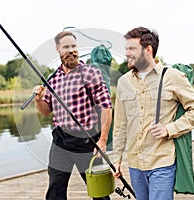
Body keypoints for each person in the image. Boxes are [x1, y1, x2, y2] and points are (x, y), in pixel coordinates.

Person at [112, 26, 194, 200]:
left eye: (132, 49)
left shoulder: (173, 77)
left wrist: (170, 129)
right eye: (126, 49)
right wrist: (116, 158)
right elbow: (120, 125)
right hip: (134, 165)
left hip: (162, 163)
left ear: (148, 50)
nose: (127, 53)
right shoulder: (123, 82)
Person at [33, 31, 112, 200]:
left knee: (99, 191)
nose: (71, 50)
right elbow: (46, 111)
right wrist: (38, 100)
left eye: (74, 46)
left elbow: (106, 107)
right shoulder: (53, 79)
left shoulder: (91, 73)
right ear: (58, 49)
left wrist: (103, 140)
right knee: (55, 188)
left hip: (86, 139)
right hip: (60, 139)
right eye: (66, 47)